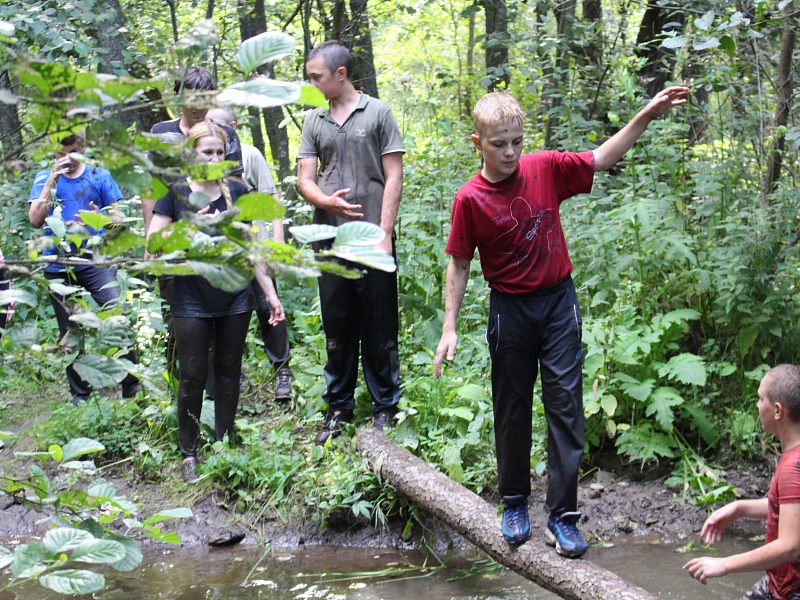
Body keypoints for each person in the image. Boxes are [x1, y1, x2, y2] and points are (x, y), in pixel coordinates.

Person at [433, 87, 690, 556]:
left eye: (516, 141)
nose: (510, 152)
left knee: (566, 409)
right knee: (512, 410)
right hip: (510, 310)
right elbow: (460, 263)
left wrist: (647, 114)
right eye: (498, 144)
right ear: (477, 143)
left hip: (557, 305)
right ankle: (514, 503)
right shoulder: (470, 198)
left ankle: (562, 517)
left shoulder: (545, 167)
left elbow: (602, 158)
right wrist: (449, 327)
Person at [147, 122, 285, 482]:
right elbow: (152, 246)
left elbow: (252, 248)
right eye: (207, 152)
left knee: (228, 369)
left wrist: (270, 295)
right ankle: (188, 453)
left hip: (235, 294)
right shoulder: (176, 192)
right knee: (192, 375)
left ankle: (224, 441)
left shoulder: (237, 192)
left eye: (219, 152)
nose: (214, 158)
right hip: (190, 296)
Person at [296, 40, 405, 444]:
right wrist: (326, 202)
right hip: (330, 239)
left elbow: (394, 175)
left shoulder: (378, 113)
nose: (311, 84)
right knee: (337, 323)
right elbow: (305, 179)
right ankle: (339, 406)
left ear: (340, 74)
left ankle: (385, 406)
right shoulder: (313, 120)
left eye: (316, 77)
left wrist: (385, 234)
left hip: (373, 238)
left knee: (380, 323)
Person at [145, 66, 245, 385]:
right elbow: (151, 187)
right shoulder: (161, 133)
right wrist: (151, 239)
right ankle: (180, 382)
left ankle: (218, 384)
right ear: (177, 96)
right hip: (173, 235)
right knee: (176, 310)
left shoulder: (223, 134)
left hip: (217, 239)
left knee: (221, 308)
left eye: (205, 98)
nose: (198, 105)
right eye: (192, 98)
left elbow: (236, 183)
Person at [28, 131, 141, 404]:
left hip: (95, 259)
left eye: (73, 152)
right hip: (58, 262)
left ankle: (131, 382)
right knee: (70, 330)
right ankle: (81, 394)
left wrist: (98, 218)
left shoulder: (99, 175)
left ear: (83, 147)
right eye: (60, 153)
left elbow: (118, 223)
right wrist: (52, 180)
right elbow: (34, 220)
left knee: (117, 314)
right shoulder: (44, 178)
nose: (66, 159)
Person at [683, 365, 800, 599]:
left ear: (778, 410)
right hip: (778, 582)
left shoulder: (793, 467)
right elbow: (790, 509)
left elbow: (790, 546)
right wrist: (740, 508)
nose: (757, 405)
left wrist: (724, 564)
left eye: (761, 399)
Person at [206, 107, 294, 403]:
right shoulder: (202, 158)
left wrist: (277, 240)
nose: (211, 126)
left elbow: (271, 198)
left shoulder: (250, 154)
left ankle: (282, 370)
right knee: (227, 312)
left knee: (268, 306)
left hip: (254, 245)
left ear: (231, 125)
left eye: (217, 123)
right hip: (221, 253)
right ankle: (232, 374)